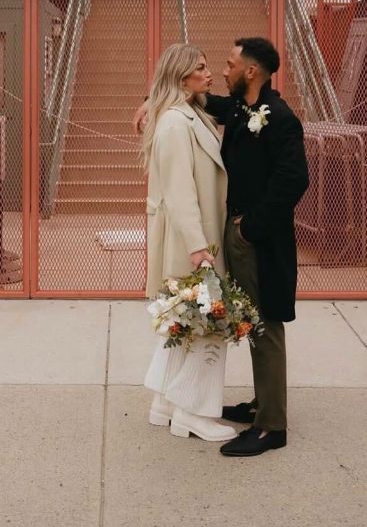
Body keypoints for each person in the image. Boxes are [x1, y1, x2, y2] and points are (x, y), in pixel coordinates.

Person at [134, 36, 309, 457]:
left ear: (250, 72)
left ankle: (271, 426)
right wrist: (150, 99)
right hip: (227, 235)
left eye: (227, 64)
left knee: (261, 324)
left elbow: (293, 181)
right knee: (232, 320)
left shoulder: (279, 118)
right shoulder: (234, 108)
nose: (219, 71)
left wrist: (249, 230)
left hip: (258, 238)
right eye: (210, 65)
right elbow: (188, 94)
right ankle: (255, 404)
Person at [141, 43, 237, 444]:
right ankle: (193, 412)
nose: (210, 73)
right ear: (182, 78)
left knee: (183, 325)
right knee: (210, 327)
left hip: (190, 239)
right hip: (193, 243)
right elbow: (180, 193)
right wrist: (200, 250)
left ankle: (164, 403)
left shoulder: (186, 115)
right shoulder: (176, 124)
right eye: (201, 67)